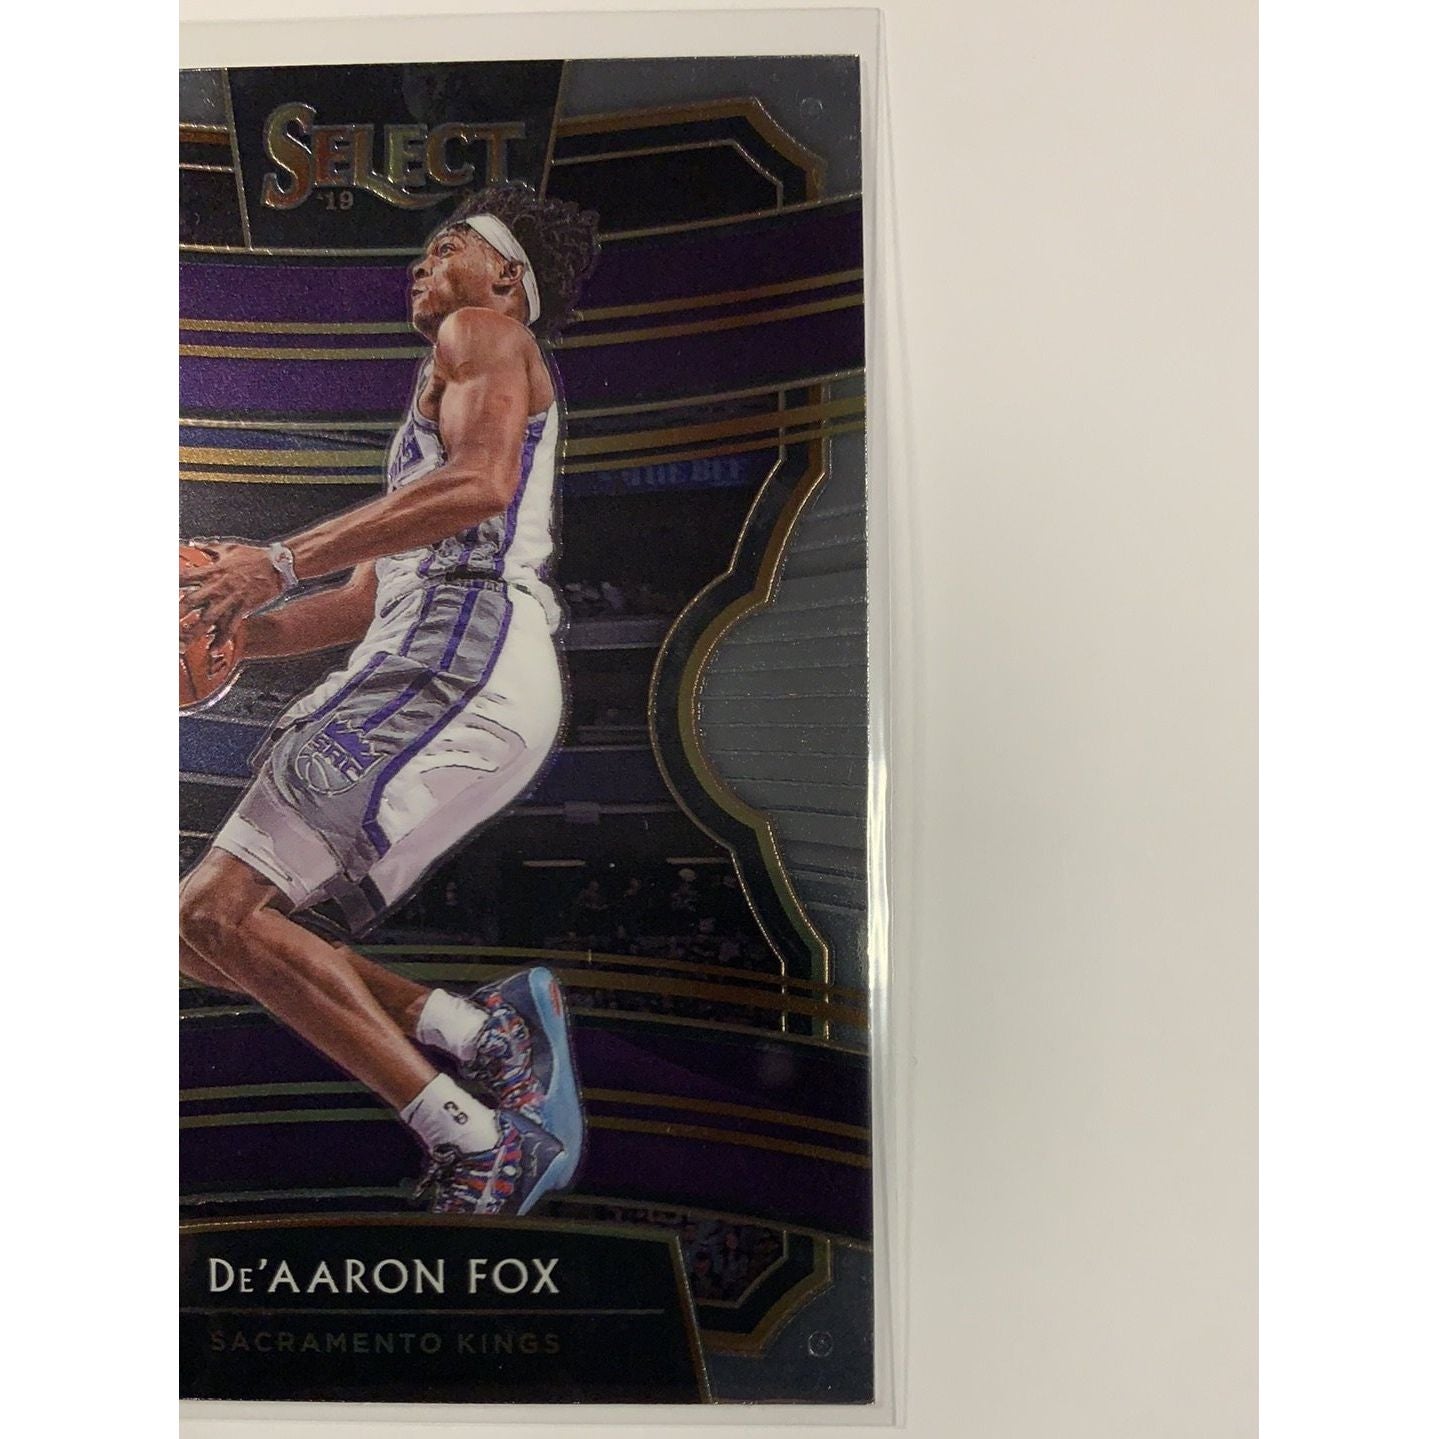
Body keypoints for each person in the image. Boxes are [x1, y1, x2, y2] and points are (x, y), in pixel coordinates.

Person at [178, 183, 599, 1216]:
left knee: (215, 913)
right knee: (201, 935)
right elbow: (364, 599)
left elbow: (481, 485)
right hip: (437, 654)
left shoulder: (483, 332)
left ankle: (479, 1137)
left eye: (449, 244)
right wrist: (229, 632)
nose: (423, 261)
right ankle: (477, 1034)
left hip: (460, 650)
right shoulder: (441, 393)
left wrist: (275, 560)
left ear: (507, 276)